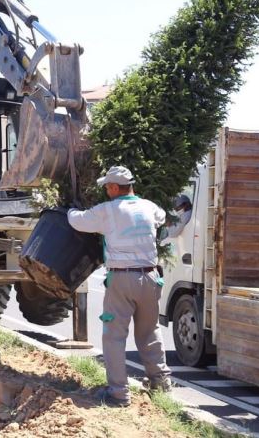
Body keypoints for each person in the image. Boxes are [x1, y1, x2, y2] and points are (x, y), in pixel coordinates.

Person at [67, 165, 171, 407]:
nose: (105, 191)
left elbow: (78, 222)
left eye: (107, 187)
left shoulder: (108, 211)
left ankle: (118, 393)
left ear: (115, 187)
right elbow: (162, 216)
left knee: (114, 337)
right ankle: (161, 384)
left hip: (122, 279)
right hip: (151, 277)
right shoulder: (149, 207)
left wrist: (70, 209)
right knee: (150, 332)